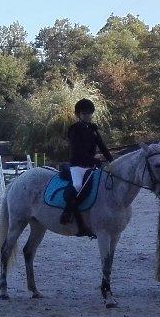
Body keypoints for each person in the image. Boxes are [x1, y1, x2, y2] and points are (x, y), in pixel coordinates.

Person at [63, 99, 112, 238]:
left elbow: (102, 147)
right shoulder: (74, 129)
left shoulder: (93, 129)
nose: (88, 116)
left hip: (91, 166)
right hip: (77, 166)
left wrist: (112, 161)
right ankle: (68, 214)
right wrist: (95, 160)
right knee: (78, 186)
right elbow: (78, 151)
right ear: (79, 114)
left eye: (89, 113)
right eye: (85, 113)